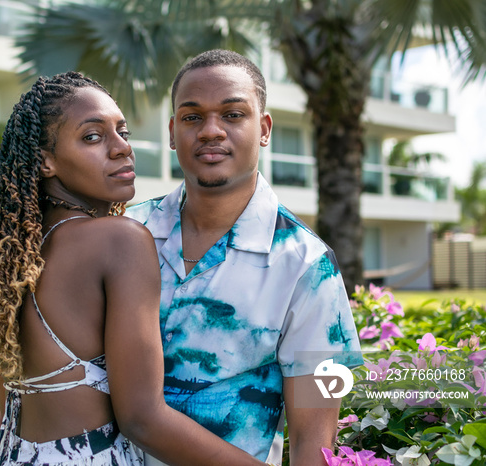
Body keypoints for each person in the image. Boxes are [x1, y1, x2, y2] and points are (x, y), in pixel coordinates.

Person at [0, 71, 263, 466]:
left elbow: (20, 399)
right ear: (45, 160)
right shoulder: (121, 240)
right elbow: (142, 420)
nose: (121, 149)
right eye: (93, 137)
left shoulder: (17, 257)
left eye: (123, 132)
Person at [126, 49, 363, 466]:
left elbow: (314, 442)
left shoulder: (308, 266)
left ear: (265, 128)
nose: (210, 131)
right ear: (171, 131)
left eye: (233, 114)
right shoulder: (125, 233)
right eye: (192, 117)